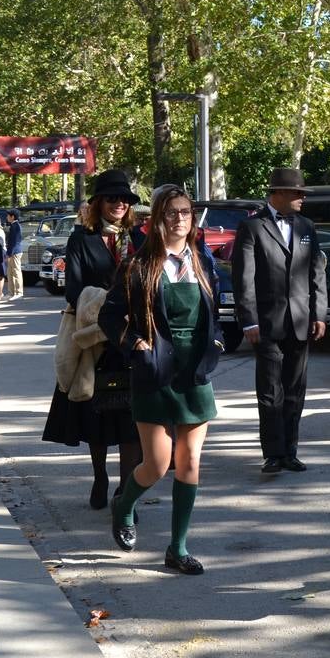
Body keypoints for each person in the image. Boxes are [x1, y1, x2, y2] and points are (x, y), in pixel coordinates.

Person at [100, 185, 220, 574]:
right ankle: (125, 504)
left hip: (194, 372)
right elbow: (109, 316)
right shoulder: (138, 265)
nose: (180, 220)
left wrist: (215, 343)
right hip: (154, 370)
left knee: (189, 463)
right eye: (171, 213)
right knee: (156, 463)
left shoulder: (202, 262)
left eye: (185, 212)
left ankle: (178, 548)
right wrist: (134, 343)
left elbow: (214, 311)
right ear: (155, 220)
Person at [42, 170, 144, 510]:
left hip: (132, 338)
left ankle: (125, 492)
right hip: (95, 337)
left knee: (133, 421)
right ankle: (100, 476)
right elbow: (72, 290)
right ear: (98, 202)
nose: (119, 204)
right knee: (96, 417)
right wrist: (107, 305)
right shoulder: (81, 239)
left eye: (124, 199)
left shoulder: (140, 238)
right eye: (112, 198)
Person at [231, 167, 327, 474]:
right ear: (279, 194)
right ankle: (272, 453)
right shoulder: (252, 226)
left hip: (301, 320)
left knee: (295, 389)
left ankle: (290, 451)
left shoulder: (307, 227)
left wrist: (319, 313)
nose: (302, 199)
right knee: (271, 390)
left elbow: (317, 273)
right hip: (266, 322)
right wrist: (248, 320)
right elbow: (243, 277)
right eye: (297, 193)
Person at [4, 209, 25, 300]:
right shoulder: (13, 226)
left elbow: (14, 242)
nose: (7, 217)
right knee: (10, 272)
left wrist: (9, 253)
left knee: (16, 272)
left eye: (8, 215)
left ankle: (19, 292)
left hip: (15, 252)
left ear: (12, 217)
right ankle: (11, 292)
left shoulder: (16, 226)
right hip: (12, 252)